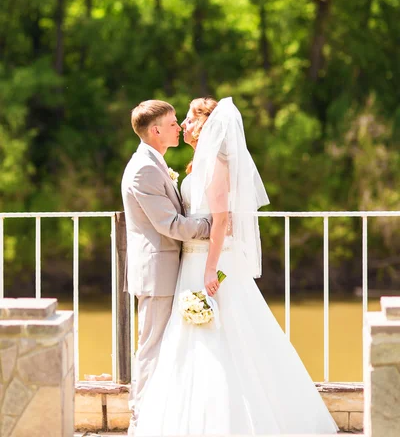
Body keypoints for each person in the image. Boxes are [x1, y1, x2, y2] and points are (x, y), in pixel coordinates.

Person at [135, 96, 338, 435]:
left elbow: (221, 220)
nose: (183, 125)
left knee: (225, 334)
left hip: (208, 261)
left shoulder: (216, 163)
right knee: (194, 339)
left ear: (204, 124)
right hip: (193, 260)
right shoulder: (199, 161)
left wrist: (211, 269)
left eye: (187, 118)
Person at [121, 100, 211, 436]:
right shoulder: (143, 169)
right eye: (173, 123)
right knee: (152, 346)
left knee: (164, 345)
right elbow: (169, 224)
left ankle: (162, 417)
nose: (178, 127)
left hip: (169, 270)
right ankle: (140, 418)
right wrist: (210, 226)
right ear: (156, 130)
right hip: (157, 274)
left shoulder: (155, 163)